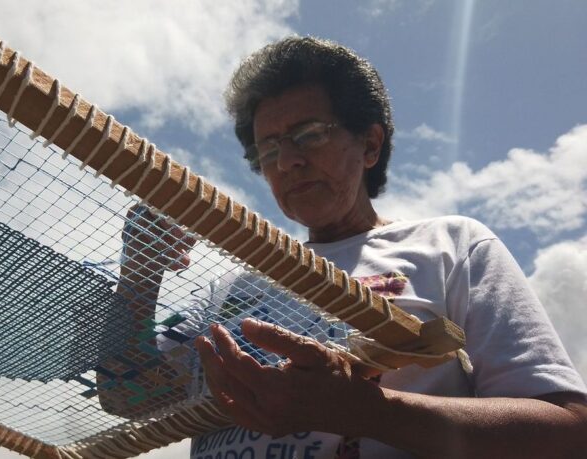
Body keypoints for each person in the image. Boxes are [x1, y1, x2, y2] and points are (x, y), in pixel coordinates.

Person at [107, 37, 587, 458]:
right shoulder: (233, 284)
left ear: (371, 144)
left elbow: (567, 433)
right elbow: (126, 396)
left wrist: (366, 412)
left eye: (310, 135)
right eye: (268, 149)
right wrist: (139, 276)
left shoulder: (451, 246)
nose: (289, 161)